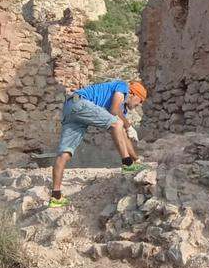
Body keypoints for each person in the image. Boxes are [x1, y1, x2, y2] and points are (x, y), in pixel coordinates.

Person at [48, 80, 147, 208]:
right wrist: (128, 126)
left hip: (70, 107)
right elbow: (114, 110)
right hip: (79, 102)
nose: (139, 105)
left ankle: (55, 197)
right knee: (117, 123)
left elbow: (120, 132)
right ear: (133, 94)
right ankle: (127, 164)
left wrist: (137, 159)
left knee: (65, 153)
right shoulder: (123, 87)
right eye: (140, 101)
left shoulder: (122, 110)